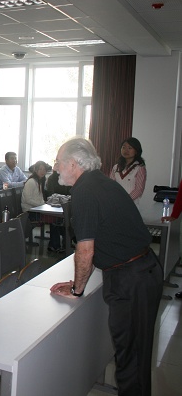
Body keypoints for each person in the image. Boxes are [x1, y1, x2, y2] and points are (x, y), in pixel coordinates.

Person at [50, 138, 162, 396]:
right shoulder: (99, 182)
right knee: (134, 355)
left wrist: (77, 290)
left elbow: (86, 250)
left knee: (131, 359)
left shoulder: (85, 192)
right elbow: (100, 240)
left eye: (58, 162)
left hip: (131, 278)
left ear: (73, 164)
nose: (55, 168)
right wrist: (77, 283)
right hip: (141, 271)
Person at [21, 161, 63, 252]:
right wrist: (42, 205)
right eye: (40, 169)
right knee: (55, 219)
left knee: (57, 218)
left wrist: (45, 204)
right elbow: (27, 200)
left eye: (44, 169)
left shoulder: (39, 181)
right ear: (35, 170)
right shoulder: (31, 182)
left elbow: (39, 199)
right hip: (29, 211)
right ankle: (54, 246)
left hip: (37, 209)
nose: (42, 171)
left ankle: (57, 244)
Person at [109, 137, 147, 203]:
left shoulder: (139, 168)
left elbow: (139, 190)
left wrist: (125, 200)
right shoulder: (116, 167)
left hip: (131, 203)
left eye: (129, 148)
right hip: (116, 202)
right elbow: (111, 185)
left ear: (136, 151)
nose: (126, 150)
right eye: (123, 147)